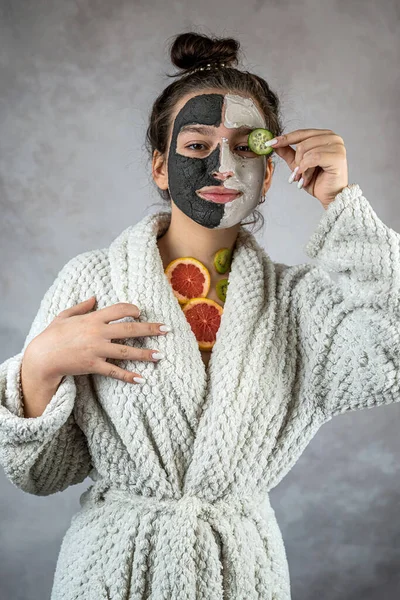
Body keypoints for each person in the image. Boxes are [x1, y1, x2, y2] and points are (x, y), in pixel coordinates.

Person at [0, 31, 399, 600]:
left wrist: (343, 200)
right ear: (160, 168)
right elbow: (42, 474)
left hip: (241, 574)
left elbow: (393, 354)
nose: (221, 166)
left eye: (244, 148)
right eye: (195, 147)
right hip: (112, 572)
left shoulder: (301, 305)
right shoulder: (92, 282)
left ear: (269, 171)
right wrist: (37, 368)